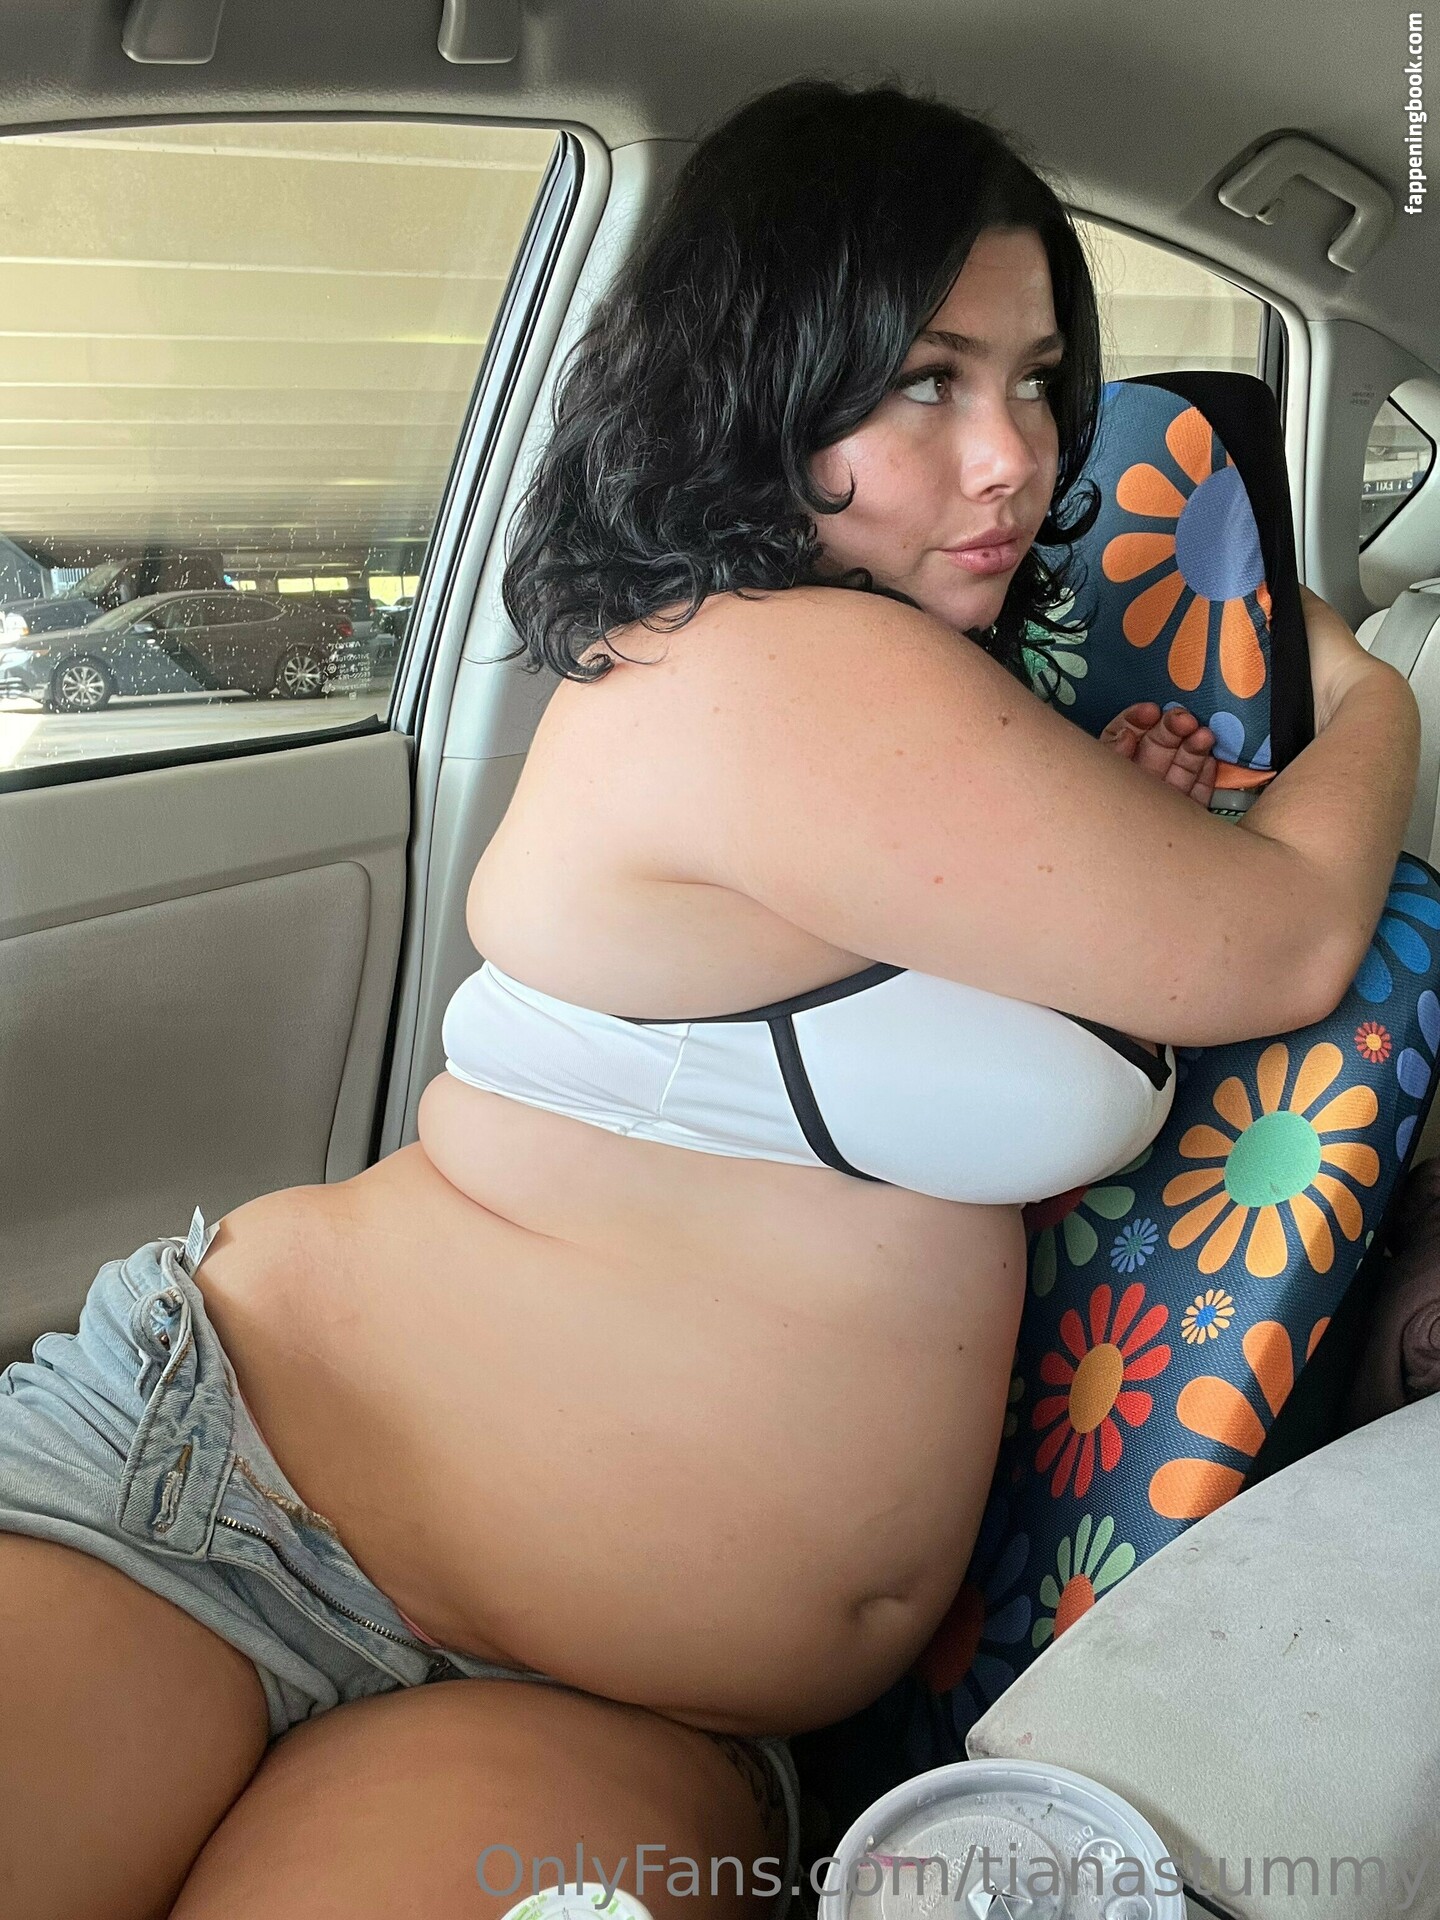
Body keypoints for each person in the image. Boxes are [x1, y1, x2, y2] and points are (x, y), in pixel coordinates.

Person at [0, 78, 1418, 1920]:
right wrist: (1373, 688)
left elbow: (979, 965)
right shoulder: (778, 664)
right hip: (235, 1495)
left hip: (619, 1694)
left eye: (1038, 381)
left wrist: (1113, 819)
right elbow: (1279, 942)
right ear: (756, 381)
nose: (1012, 456)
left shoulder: (868, 676)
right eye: (925, 380)